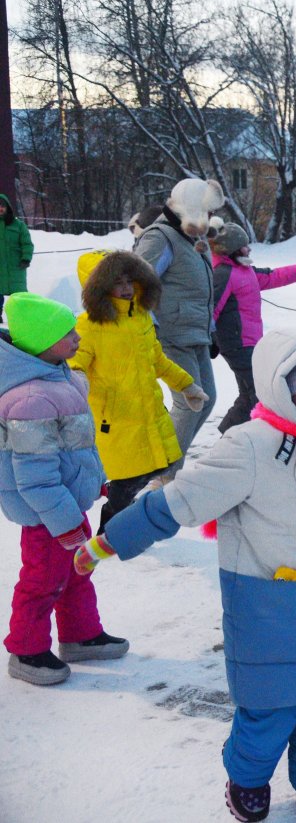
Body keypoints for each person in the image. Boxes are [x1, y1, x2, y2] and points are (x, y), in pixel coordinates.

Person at [75, 329, 296, 823]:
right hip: (272, 613)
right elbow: (179, 500)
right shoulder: (250, 446)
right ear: (282, 390)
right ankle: (247, 780)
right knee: (269, 713)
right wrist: (111, 540)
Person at [1, 293, 127, 686]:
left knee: (77, 572)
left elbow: (79, 447)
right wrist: (65, 524)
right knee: (43, 581)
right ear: (41, 343)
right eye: (65, 332)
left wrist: (95, 479)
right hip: (47, 518)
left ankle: (81, 635)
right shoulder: (30, 399)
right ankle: (27, 650)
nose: (76, 337)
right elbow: (35, 479)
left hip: (68, 508)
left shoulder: (62, 377)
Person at [69, 251, 206, 532]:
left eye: (130, 280)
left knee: (158, 467)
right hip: (117, 420)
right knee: (128, 479)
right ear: (99, 287)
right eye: (117, 282)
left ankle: (119, 510)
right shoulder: (89, 325)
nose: (127, 288)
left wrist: (186, 385)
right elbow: (75, 363)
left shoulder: (141, 317)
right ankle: (109, 531)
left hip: (150, 411)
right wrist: (77, 382)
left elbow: (157, 360)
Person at [133, 178, 226, 473]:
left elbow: (203, 291)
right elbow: (137, 286)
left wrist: (211, 331)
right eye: (207, 211)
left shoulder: (192, 238)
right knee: (190, 404)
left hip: (195, 333)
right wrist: (149, 330)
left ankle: (168, 462)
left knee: (206, 399)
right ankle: (165, 471)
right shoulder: (160, 237)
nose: (211, 217)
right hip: (171, 334)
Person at [211, 223, 296, 432]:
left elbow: (274, 276)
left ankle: (228, 434)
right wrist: (210, 338)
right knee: (261, 393)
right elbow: (212, 308)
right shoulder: (224, 274)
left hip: (250, 343)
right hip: (236, 344)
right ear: (232, 249)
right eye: (244, 246)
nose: (249, 249)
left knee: (249, 394)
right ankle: (244, 436)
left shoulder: (246, 270)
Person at [0, 194, 34, 320]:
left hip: (16, 267)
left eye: (3, 206)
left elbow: (27, 244)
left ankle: (21, 317)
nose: (0, 208)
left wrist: (26, 258)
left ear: (8, 207)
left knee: (19, 295)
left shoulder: (18, 225)